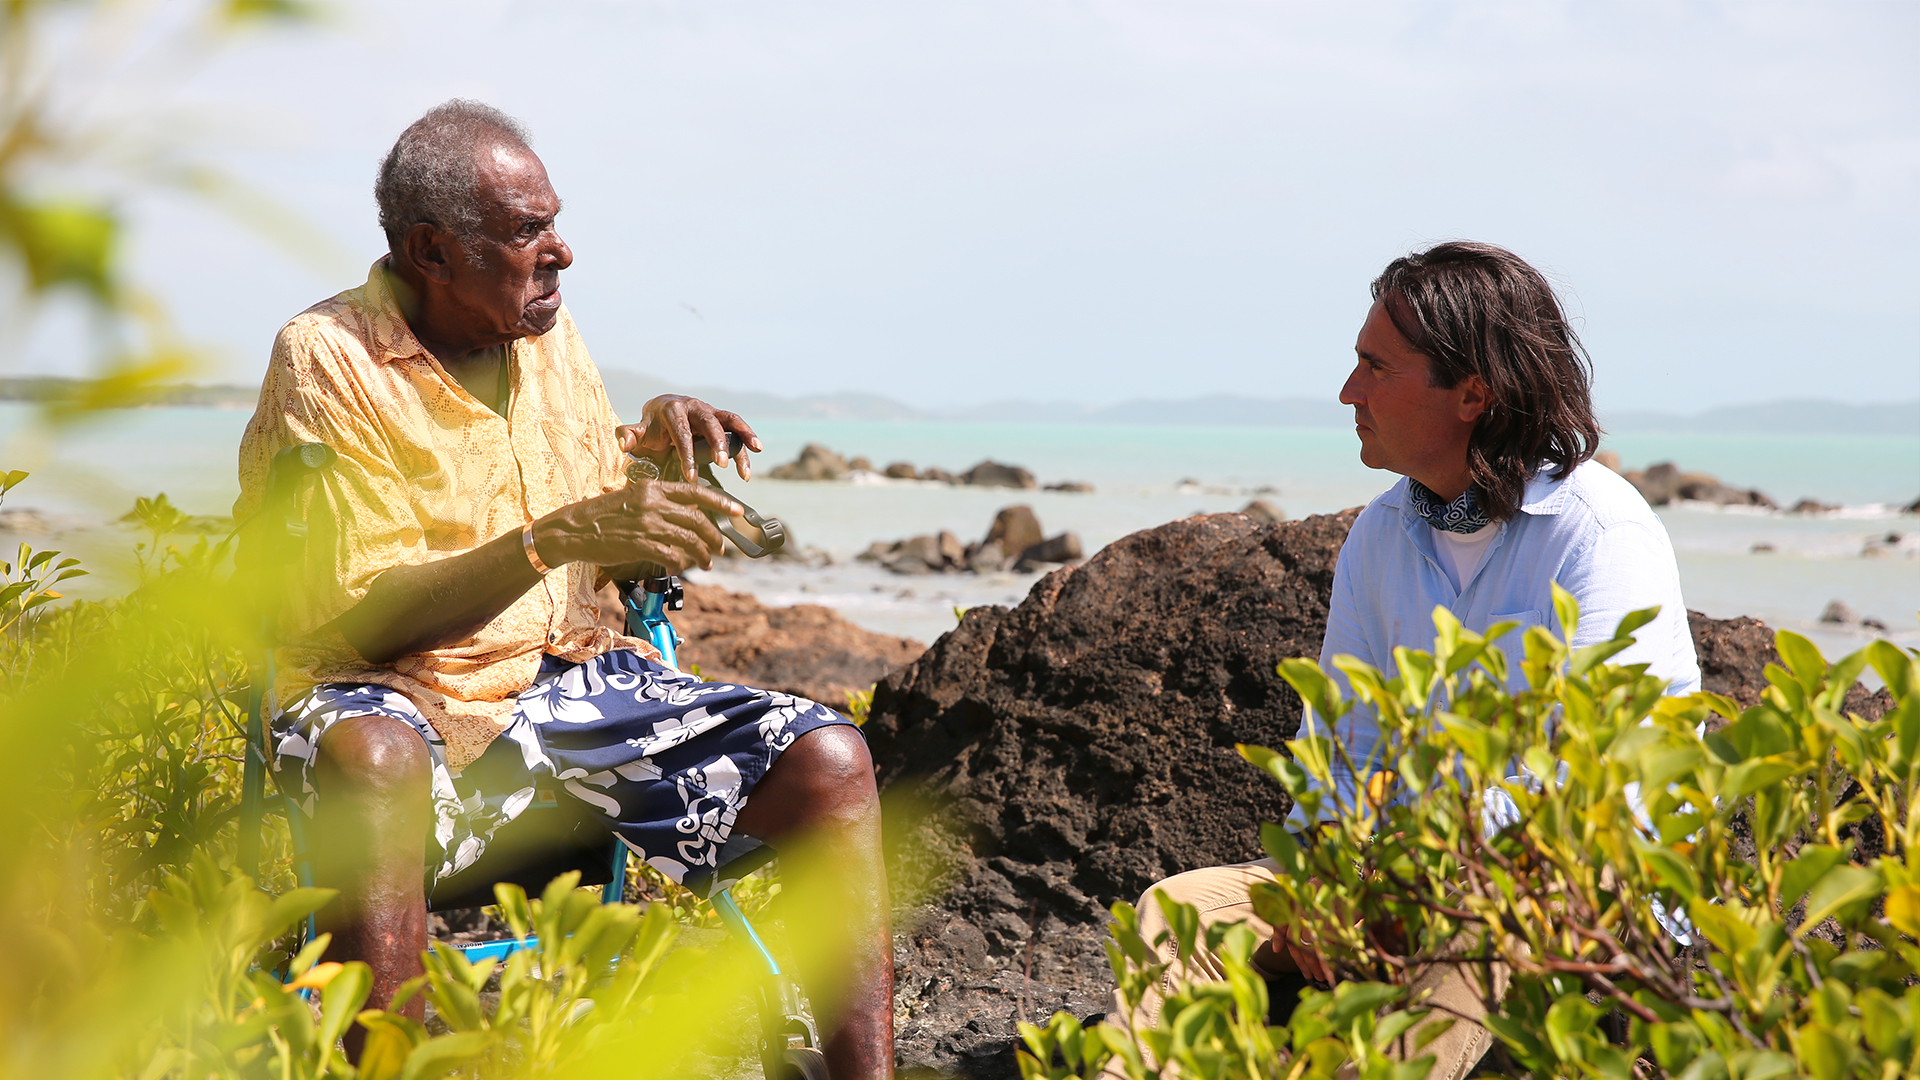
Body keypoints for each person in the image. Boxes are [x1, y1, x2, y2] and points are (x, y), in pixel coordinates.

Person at [235, 101, 893, 1078]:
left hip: (574, 687)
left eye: (554, 221)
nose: (563, 252)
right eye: (526, 230)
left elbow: (602, 531)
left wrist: (660, 461)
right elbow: (358, 619)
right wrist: (554, 538)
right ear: (432, 251)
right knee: (371, 758)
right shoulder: (328, 358)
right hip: (391, 692)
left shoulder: (545, 332)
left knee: (829, 758)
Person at [1108, 241, 1700, 1080]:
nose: (1348, 391)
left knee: (1481, 913)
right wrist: (1322, 878)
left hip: (1564, 892)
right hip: (1399, 877)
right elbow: (1339, 744)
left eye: (1374, 366)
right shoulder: (1381, 532)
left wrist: (1397, 880)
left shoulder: (1602, 532)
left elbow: (1583, 774)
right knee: (1175, 913)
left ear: (1473, 392)